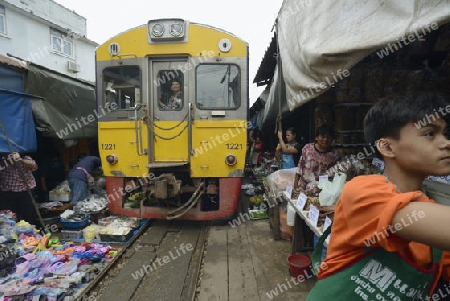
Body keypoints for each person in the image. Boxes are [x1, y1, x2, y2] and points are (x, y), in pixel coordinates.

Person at [307, 93, 450, 300]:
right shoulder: (364, 190)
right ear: (386, 147)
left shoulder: (432, 215)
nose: (445, 143)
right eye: (429, 133)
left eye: (445, 134)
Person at [294, 124, 341, 196]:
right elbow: (300, 167)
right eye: (323, 136)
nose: (325, 139)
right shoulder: (308, 148)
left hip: (322, 191)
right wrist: (295, 185)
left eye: (329, 137)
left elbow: (334, 176)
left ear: (332, 139)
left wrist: (316, 178)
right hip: (303, 189)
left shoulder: (335, 155)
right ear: (316, 137)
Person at [0, 152, 38, 225]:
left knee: (29, 216)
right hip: (8, 193)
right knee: (10, 217)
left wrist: (20, 160)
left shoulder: (25, 158)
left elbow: (33, 166)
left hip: (25, 192)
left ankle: (29, 233)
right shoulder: (2, 163)